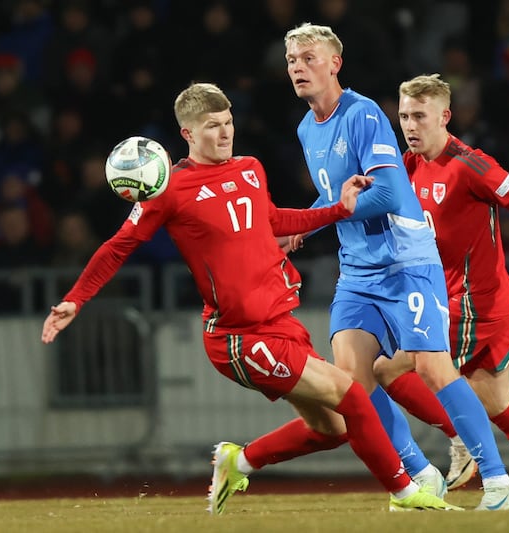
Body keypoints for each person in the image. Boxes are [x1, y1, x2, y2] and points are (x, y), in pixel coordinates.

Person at [41, 82, 460, 514]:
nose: (225, 134)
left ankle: (237, 461)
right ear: (187, 134)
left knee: (333, 428)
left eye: (228, 123)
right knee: (352, 395)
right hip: (239, 336)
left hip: (280, 321)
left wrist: (340, 209)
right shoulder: (170, 190)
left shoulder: (250, 168)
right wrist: (76, 298)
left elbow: (275, 219)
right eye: (212, 127)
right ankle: (407, 493)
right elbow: (118, 246)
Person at [281, 23, 509, 510]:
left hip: (405, 260)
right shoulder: (307, 127)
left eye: (309, 58)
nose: (298, 68)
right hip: (357, 272)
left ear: (335, 63)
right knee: (351, 380)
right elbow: (339, 195)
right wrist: (304, 224)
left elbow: (391, 192)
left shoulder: (364, 113)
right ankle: (420, 473)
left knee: (434, 368)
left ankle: (500, 484)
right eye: (291, 61)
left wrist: (324, 216)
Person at [378, 72, 509, 506]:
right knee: (496, 403)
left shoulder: (471, 164)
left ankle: (459, 439)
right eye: (404, 116)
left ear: (445, 116)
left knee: (388, 369)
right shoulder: (408, 165)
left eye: (420, 116)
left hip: (473, 302)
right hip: (457, 299)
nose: (410, 125)